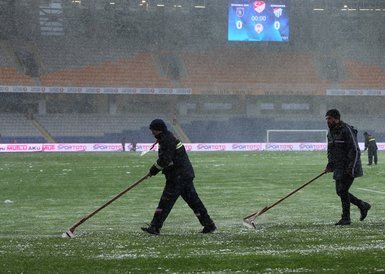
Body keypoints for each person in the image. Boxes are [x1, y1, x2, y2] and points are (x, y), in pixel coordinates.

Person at [141, 119, 216, 235]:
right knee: (194, 202)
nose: (152, 133)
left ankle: (155, 227)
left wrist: (152, 171)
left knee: (165, 202)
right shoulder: (166, 138)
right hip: (183, 175)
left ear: (158, 130)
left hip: (177, 177)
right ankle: (209, 225)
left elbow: (165, 160)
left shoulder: (167, 140)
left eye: (153, 130)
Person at [324, 109, 371, 225]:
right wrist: (330, 164)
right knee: (340, 191)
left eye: (329, 118)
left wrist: (351, 168)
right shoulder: (330, 133)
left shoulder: (347, 129)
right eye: (326, 119)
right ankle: (362, 205)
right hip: (339, 167)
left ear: (336, 119)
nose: (327, 121)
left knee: (343, 190)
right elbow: (331, 151)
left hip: (350, 166)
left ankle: (346, 218)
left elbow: (354, 150)